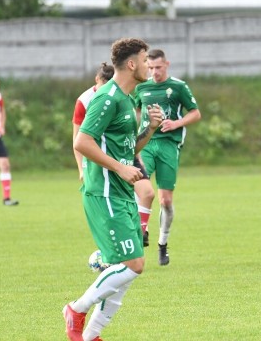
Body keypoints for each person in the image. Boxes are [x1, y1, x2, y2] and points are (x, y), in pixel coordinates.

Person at [64, 37, 164, 341]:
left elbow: (128, 147)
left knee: (127, 269)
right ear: (132, 64)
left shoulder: (127, 100)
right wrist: (120, 168)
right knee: (133, 265)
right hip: (104, 191)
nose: (149, 65)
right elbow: (82, 141)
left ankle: (91, 334)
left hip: (121, 192)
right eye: (146, 59)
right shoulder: (107, 98)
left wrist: (151, 129)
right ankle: (76, 309)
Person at [133, 48, 201, 266]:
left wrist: (176, 123)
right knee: (140, 186)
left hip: (169, 145)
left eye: (158, 68)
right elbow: (135, 111)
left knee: (166, 200)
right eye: (150, 68)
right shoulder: (141, 87)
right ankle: (140, 231)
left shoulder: (178, 87)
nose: (154, 72)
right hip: (146, 143)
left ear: (167, 65)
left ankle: (162, 244)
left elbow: (195, 113)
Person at [72, 62, 115, 181]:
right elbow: (77, 138)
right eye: (103, 83)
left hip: (115, 152)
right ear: (97, 79)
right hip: (93, 154)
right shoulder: (84, 101)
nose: (106, 87)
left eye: (110, 84)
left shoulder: (118, 96)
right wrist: (81, 169)